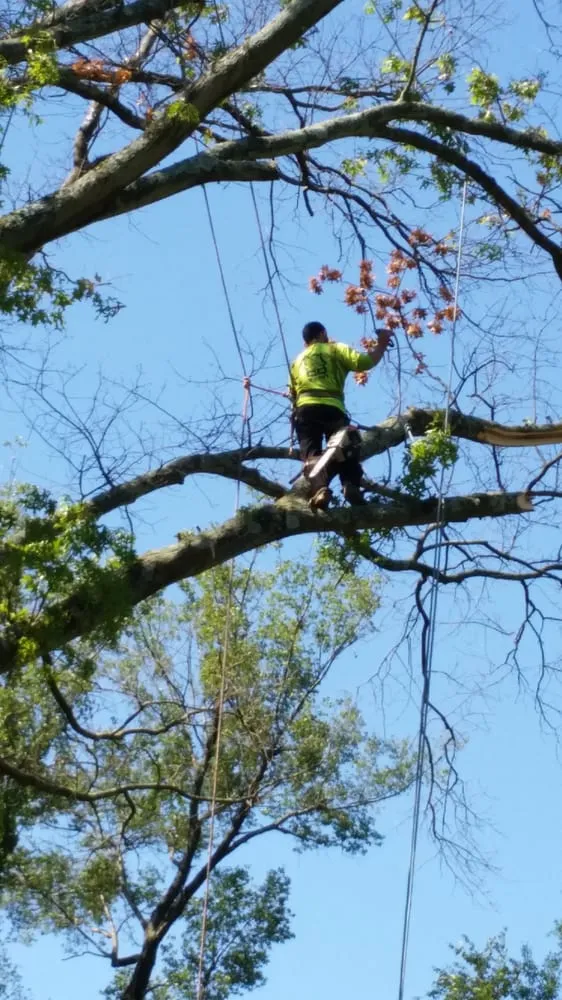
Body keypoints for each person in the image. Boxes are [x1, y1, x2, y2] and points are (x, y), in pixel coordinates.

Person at [290, 321, 393, 509]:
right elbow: (365, 362)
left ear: (306, 341)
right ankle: (350, 485)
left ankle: (320, 490)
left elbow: (292, 393)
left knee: (311, 455)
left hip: (305, 410)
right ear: (322, 334)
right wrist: (382, 343)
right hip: (332, 408)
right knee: (347, 448)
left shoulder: (297, 361)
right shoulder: (334, 349)